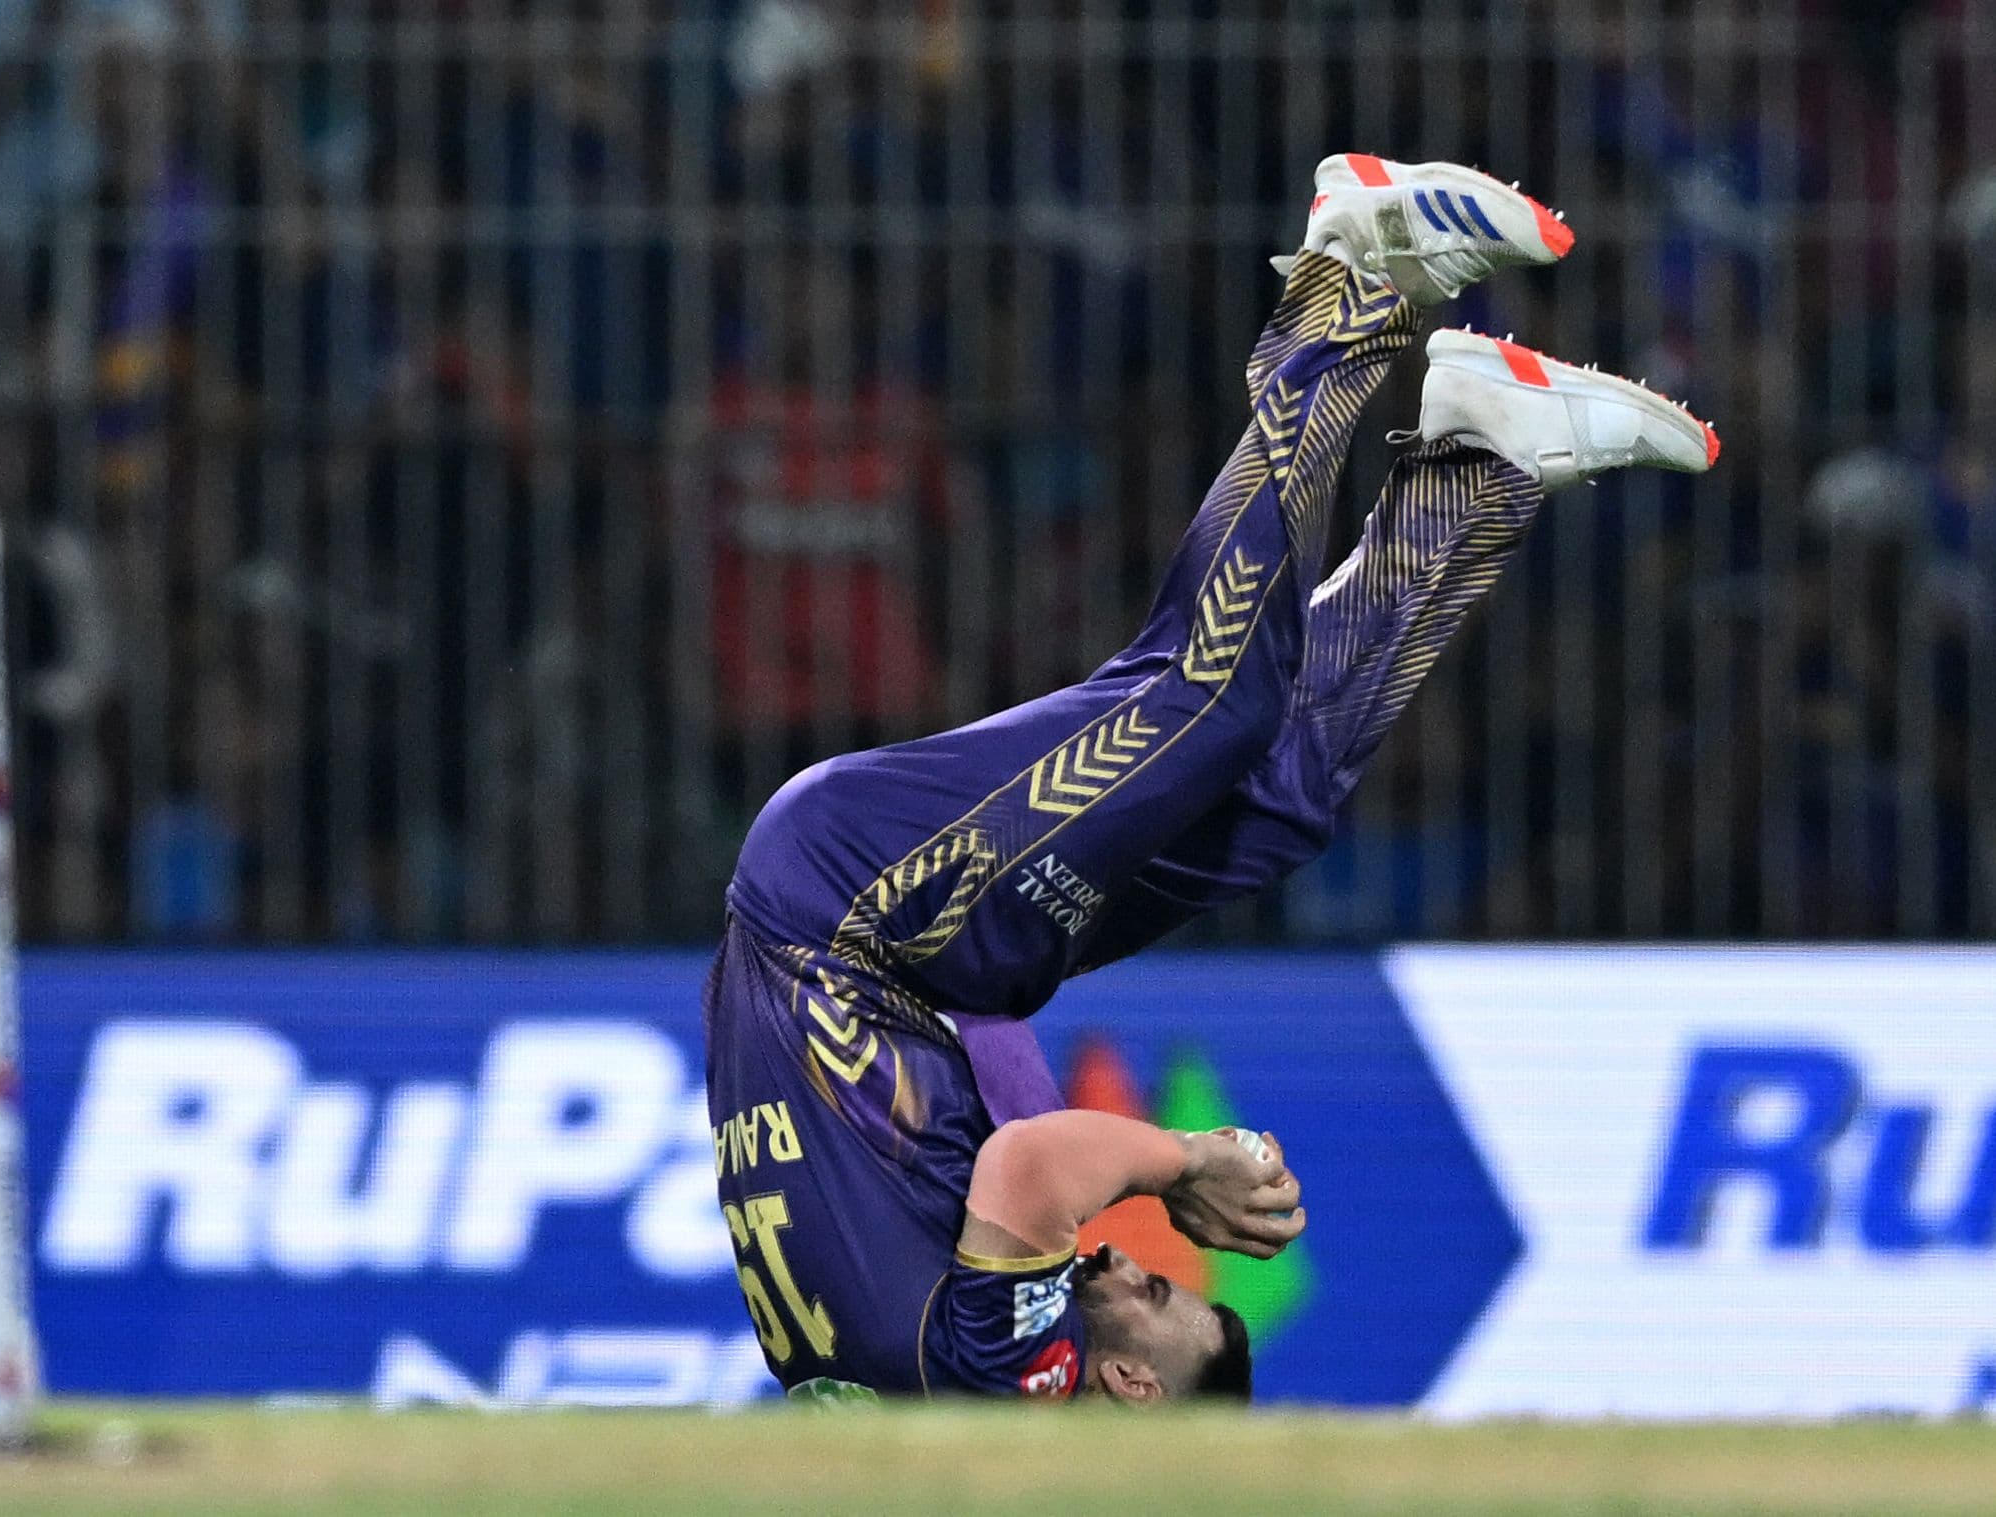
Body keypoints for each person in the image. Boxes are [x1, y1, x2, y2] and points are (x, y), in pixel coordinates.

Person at [703, 153, 1717, 1402]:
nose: (1151, 1269)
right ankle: (1477, 467)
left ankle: (1347, 286)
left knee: (1205, 696)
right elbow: (996, 1082)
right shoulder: (947, 1368)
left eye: (1167, 1297)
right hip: (930, 967)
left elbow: (1028, 1165)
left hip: (846, 906)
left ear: (1127, 1385)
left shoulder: (1000, 1370)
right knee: (1276, 808)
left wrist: (1184, 1160)